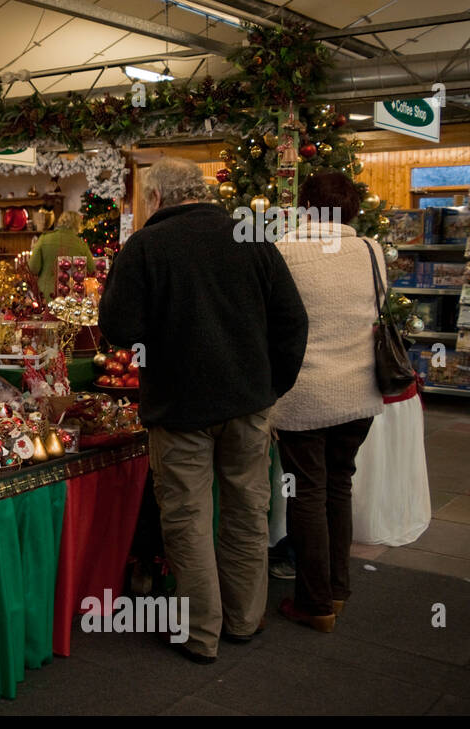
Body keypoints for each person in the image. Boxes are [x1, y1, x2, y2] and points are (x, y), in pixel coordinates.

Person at [100, 157, 308, 663]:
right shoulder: (251, 236)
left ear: (156, 198)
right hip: (248, 403)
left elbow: (117, 328)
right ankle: (242, 619)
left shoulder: (146, 246)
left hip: (179, 407)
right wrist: (270, 385)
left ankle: (201, 633)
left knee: (187, 518)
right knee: (246, 512)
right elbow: (293, 321)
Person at [273, 171, 385, 633]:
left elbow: (273, 317)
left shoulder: (284, 250)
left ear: (304, 206)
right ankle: (337, 587)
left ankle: (315, 602)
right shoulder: (370, 250)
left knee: (307, 493)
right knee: (340, 485)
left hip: (303, 393)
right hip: (359, 392)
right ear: (353, 210)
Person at [28, 210, 92, 298]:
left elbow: (33, 268)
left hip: (45, 293)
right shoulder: (80, 244)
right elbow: (92, 269)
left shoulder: (44, 239)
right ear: (77, 225)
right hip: (70, 294)